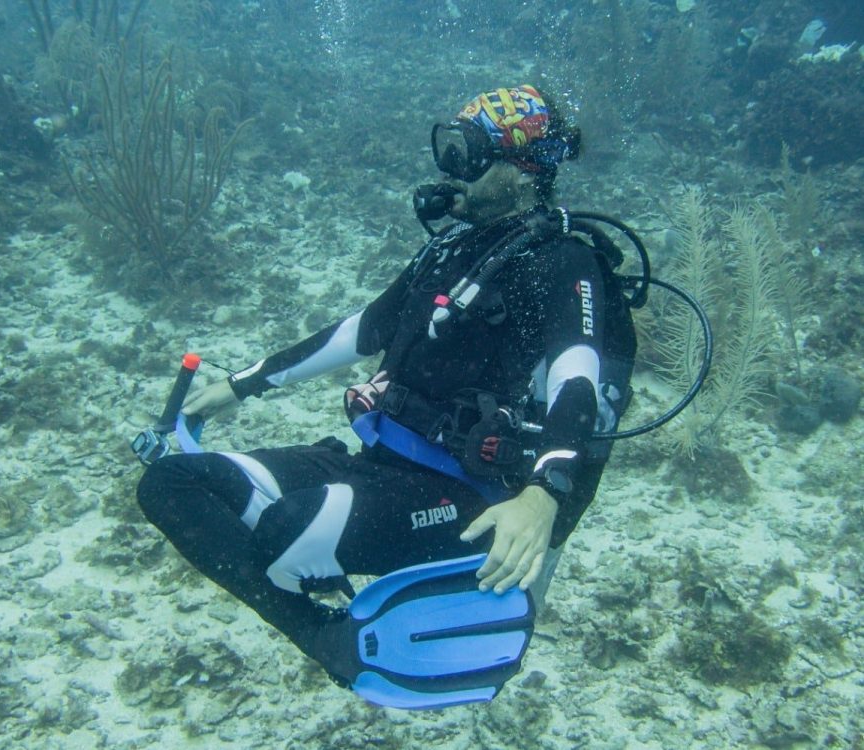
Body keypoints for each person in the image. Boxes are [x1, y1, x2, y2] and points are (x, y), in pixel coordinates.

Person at [137, 84, 637, 688]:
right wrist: (241, 385)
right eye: (450, 150)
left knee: (281, 533)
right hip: (372, 462)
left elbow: (576, 384)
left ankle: (334, 621)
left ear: (522, 169)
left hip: (463, 498)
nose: (453, 170)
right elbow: (360, 330)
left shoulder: (564, 264)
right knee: (170, 482)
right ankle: (323, 634)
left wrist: (544, 494)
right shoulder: (454, 247)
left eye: (471, 155)